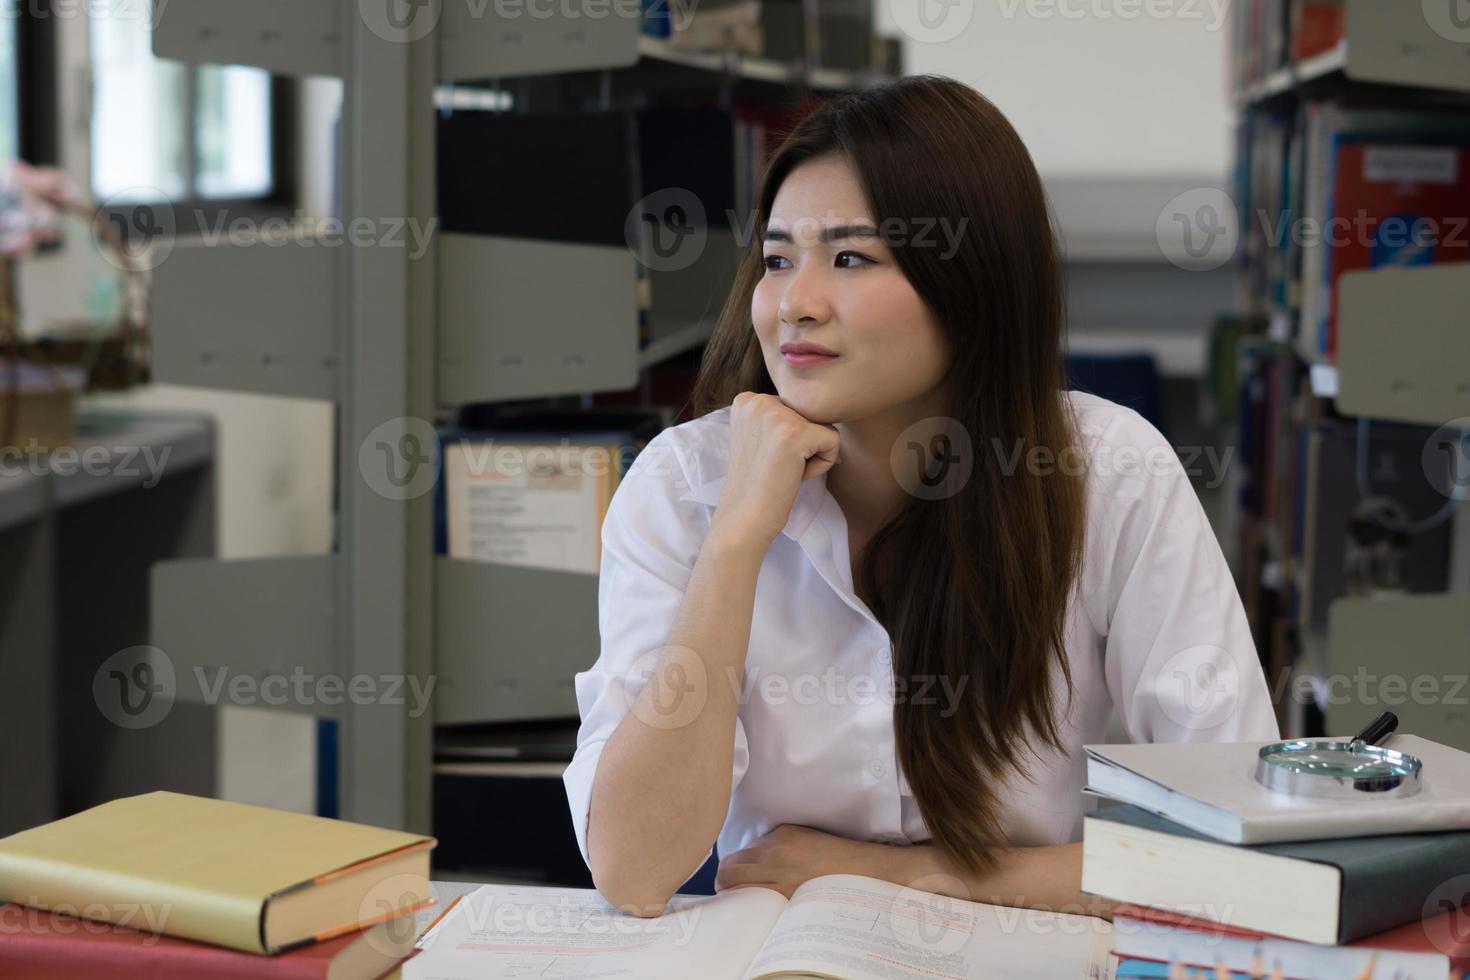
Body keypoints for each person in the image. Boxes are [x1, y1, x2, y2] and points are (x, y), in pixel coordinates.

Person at [562, 74, 1279, 919]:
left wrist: (898, 875)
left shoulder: (1108, 471)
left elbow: (1246, 852)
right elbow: (633, 870)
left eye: (852, 258)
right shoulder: (684, 486)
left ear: (970, 285)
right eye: (779, 258)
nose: (795, 304)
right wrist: (735, 544)